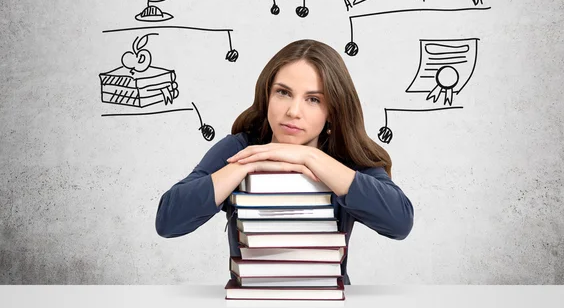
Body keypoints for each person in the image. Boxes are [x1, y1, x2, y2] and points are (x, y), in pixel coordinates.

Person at [155, 39, 414, 284]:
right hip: (249, 303)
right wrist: (248, 164)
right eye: (283, 93)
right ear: (267, 95)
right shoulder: (241, 147)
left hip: (328, 304)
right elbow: (168, 221)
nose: (293, 111)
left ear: (333, 110)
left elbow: (400, 222)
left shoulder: (345, 159)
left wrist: (311, 157)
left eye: (313, 99)